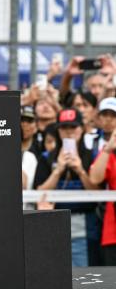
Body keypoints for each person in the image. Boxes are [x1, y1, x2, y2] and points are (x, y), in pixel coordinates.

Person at [36, 108, 99, 266]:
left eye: (73, 127)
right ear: (58, 131)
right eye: (64, 128)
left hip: (85, 226)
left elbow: (98, 193)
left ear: (82, 129)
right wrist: (58, 170)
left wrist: (80, 170)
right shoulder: (47, 157)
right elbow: (38, 194)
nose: (69, 132)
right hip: (53, 225)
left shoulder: (92, 155)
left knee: (84, 278)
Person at [89, 97, 116, 264]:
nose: (108, 119)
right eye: (104, 115)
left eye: (112, 115)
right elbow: (95, 178)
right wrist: (108, 148)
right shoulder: (110, 154)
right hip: (113, 230)